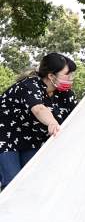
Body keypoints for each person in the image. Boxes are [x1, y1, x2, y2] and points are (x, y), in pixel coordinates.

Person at [0, 53, 77, 188]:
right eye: (67, 74)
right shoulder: (29, 85)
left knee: (34, 181)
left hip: (32, 139)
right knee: (11, 183)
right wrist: (52, 122)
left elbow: (76, 115)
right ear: (51, 76)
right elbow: (39, 109)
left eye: (72, 74)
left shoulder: (65, 94)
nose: (71, 78)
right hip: (5, 138)